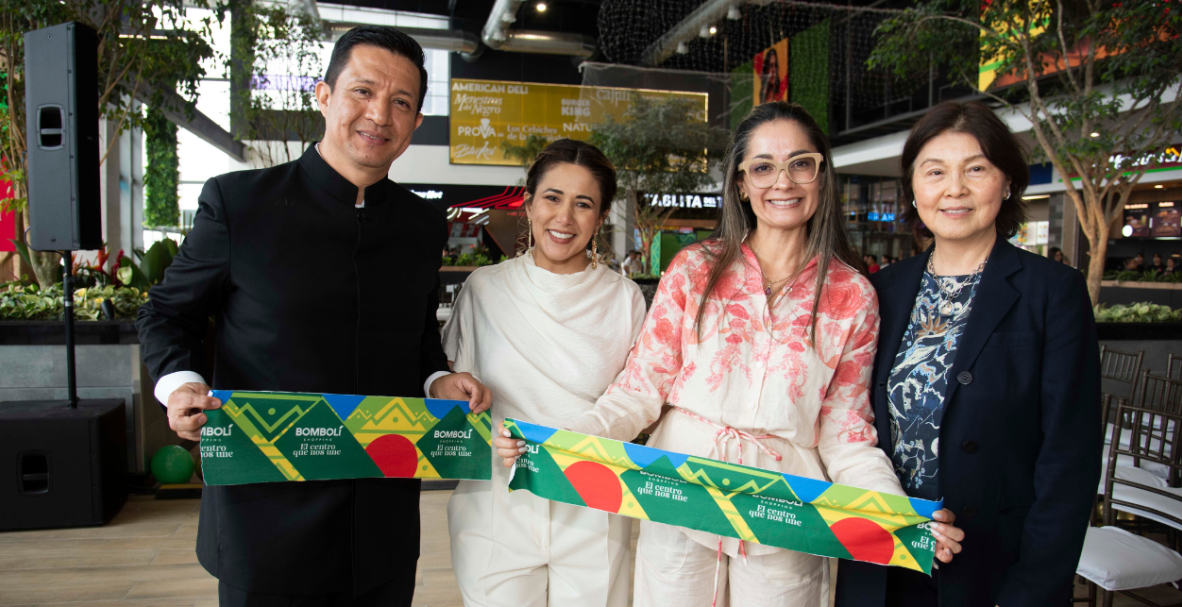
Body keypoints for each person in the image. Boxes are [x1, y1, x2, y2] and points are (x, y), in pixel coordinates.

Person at [498, 101, 964, 607]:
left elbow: (846, 430)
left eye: (799, 164)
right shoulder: (695, 269)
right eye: (763, 167)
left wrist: (901, 514)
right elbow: (640, 387)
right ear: (741, 183)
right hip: (680, 492)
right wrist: (561, 444)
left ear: (820, 174)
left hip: (785, 509)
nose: (781, 182)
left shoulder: (852, 295)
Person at [136, 26, 491, 606]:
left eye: (401, 102)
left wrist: (438, 379)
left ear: (415, 123)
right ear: (324, 95)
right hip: (265, 513)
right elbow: (167, 313)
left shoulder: (422, 226)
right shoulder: (239, 204)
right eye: (362, 91)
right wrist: (180, 384)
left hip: (379, 518)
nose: (379, 114)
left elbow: (418, 336)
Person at [834, 100, 1101, 607]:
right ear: (914, 189)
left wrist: (1032, 590)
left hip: (994, 572)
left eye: (975, 169)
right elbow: (849, 425)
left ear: (1007, 182)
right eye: (935, 172)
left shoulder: (1053, 293)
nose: (954, 189)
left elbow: (1070, 458)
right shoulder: (879, 291)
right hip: (881, 565)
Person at [444, 139, 645, 607]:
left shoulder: (625, 299)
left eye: (584, 204)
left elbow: (637, 402)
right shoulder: (484, 289)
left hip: (593, 501)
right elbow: (457, 398)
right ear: (529, 203)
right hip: (495, 500)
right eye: (552, 198)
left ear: (600, 217)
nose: (565, 218)